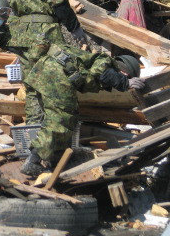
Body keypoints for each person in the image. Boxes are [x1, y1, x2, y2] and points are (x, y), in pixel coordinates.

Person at [8, 0, 87, 146]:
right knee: (56, 84)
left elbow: (14, 6)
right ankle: (53, 142)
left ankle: (32, 141)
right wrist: (74, 27)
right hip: (44, 34)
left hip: (21, 35)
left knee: (32, 87)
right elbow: (59, 3)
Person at [20, 47, 145, 176]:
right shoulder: (105, 61)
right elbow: (102, 72)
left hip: (46, 73)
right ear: (125, 73)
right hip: (55, 76)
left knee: (67, 119)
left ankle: (56, 158)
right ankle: (33, 161)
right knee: (61, 120)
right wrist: (125, 82)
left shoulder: (101, 65)